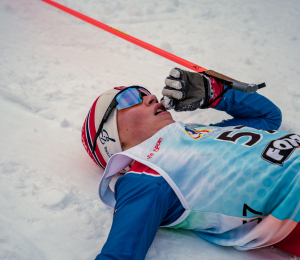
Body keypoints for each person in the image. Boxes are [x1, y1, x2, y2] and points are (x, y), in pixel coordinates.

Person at [81, 68, 300, 260]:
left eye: (145, 93)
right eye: (129, 98)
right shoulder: (146, 176)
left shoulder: (198, 132)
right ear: (110, 138)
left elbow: (268, 118)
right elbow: (120, 252)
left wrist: (215, 92)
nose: (150, 97)